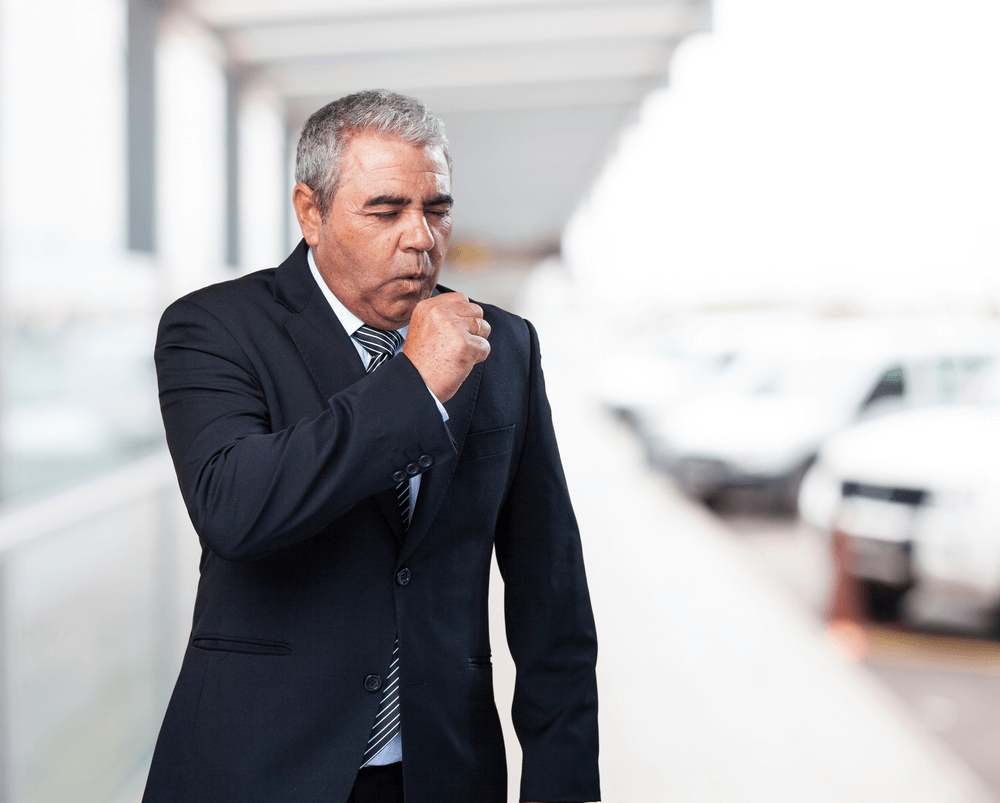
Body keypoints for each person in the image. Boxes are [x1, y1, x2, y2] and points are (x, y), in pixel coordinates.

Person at [142, 89, 600, 803]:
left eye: (437, 209)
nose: (420, 237)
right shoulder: (214, 328)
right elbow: (236, 508)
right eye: (386, 211)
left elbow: (554, 603)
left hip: (442, 773)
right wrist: (413, 386)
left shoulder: (505, 346)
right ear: (311, 211)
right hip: (256, 771)